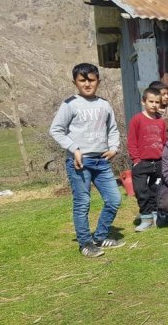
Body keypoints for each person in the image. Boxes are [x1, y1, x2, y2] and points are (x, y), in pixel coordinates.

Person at [49, 63, 124, 258]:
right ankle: (85, 243)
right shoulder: (70, 104)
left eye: (91, 80)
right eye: (82, 80)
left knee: (114, 199)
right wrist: (74, 149)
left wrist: (114, 148)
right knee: (82, 203)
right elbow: (56, 130)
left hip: (102, 161)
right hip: (80, 163)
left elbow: (113, 129)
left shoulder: (104, 105)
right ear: (75, 82)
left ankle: (100, 236)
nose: (87, 84)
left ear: (98, 80)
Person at [127, 87, 167, 232]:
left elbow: (163, 141)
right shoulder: (137, 120)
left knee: (156, 190)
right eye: (151, 101)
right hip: (141, 163)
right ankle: (146, 217)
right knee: (141, 190)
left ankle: (155, 215)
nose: (154, 105)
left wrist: (164, 158)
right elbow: (131, 141)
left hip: (158, 162)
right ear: (143, 101)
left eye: (157, 102)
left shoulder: (161, 121)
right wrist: (136, 159)